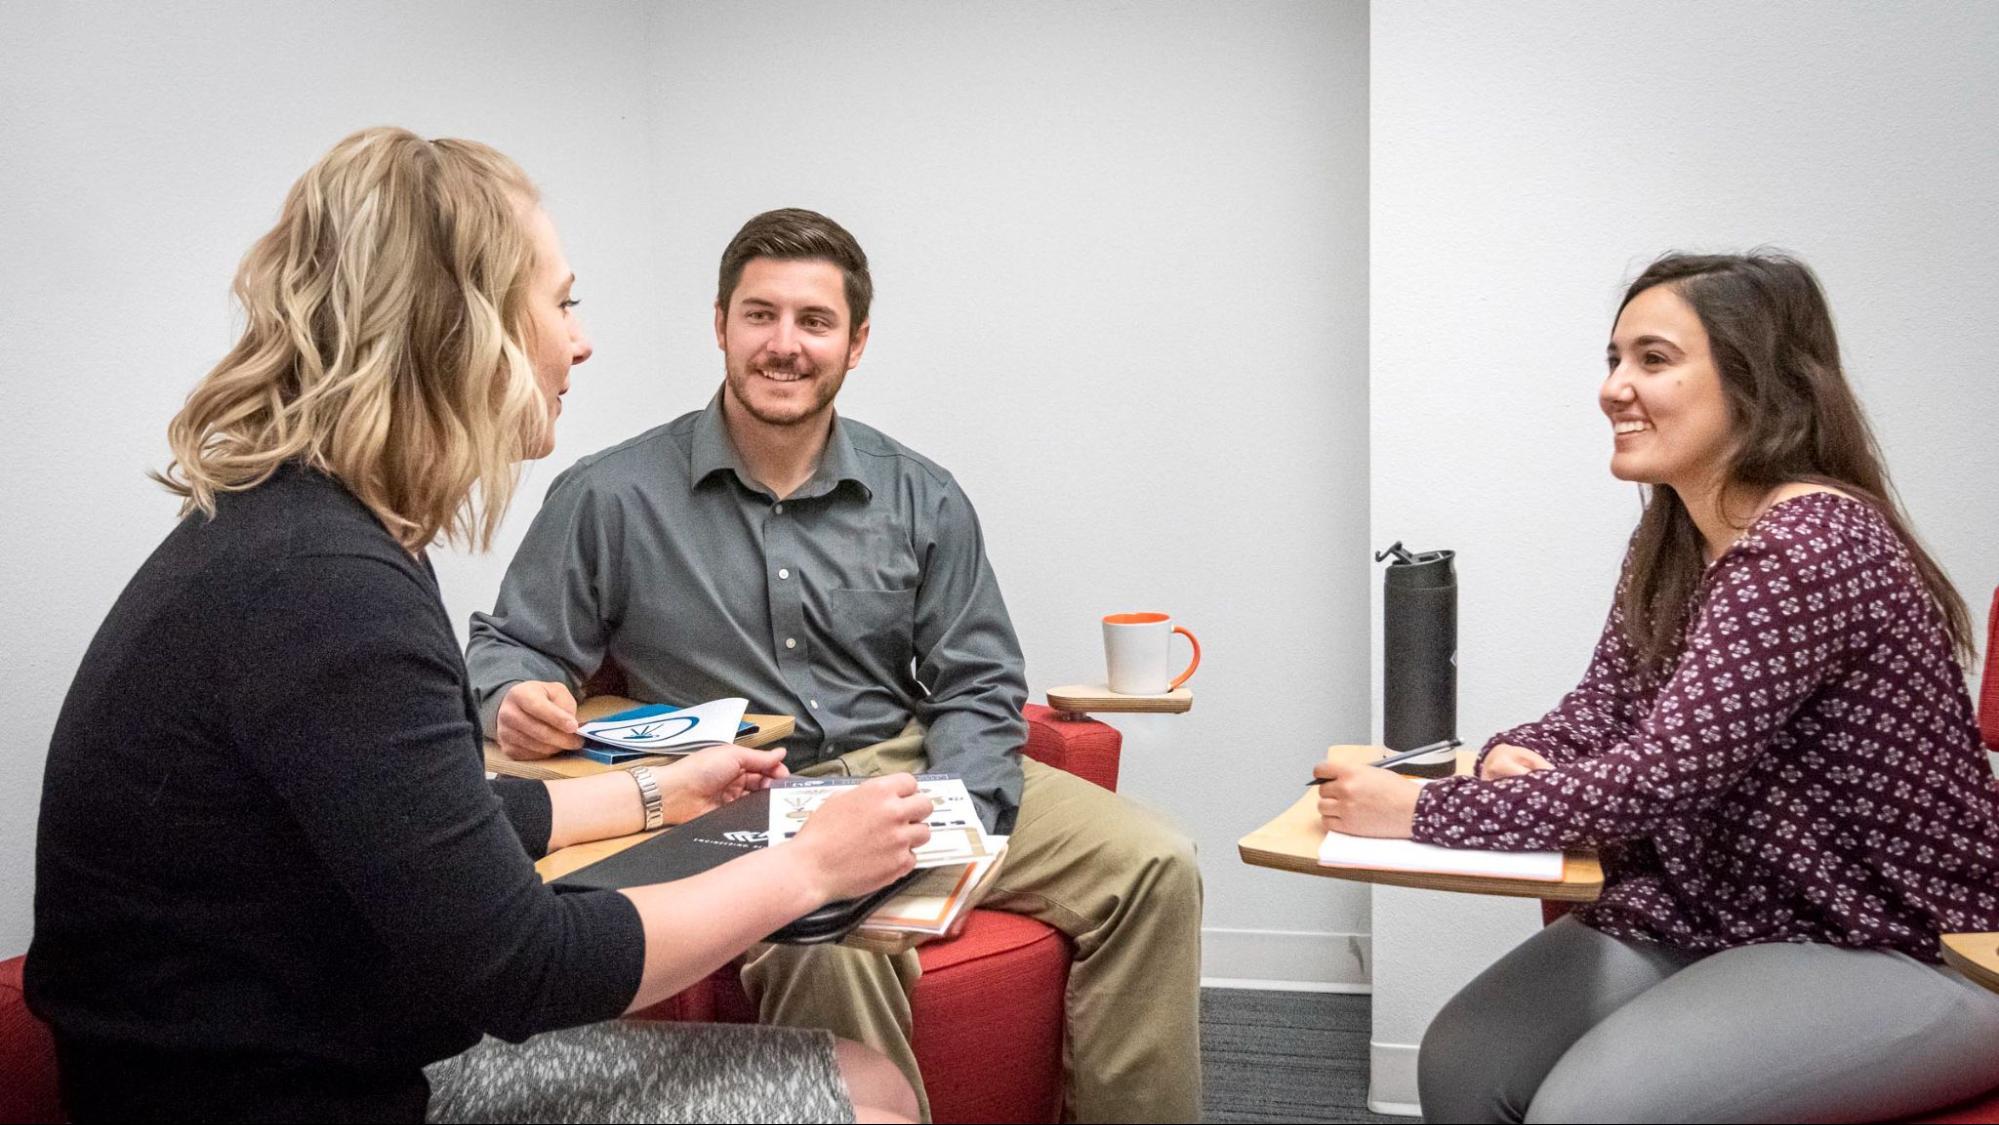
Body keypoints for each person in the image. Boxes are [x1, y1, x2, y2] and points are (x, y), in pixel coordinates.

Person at [28, 128, 928, 1124]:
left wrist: (658, 794)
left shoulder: (306, 536)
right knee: (871, 1102)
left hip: (323, 1057)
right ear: (459, 327)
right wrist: (808, 867)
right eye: (562, 302)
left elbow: (421, 825)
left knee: (866, 1075)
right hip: (282, 1098)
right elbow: (525, 968)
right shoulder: (328, 589)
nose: (579, 341)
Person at [466, 207, 1203, 1123]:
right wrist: (510, 694)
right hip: (740, 795)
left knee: (1158, 863)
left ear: (855, 343)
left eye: (814, 321)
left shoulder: (921, 493)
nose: (784, 344)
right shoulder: (609, 493)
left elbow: (977, 681)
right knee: (832, 950)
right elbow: (511, 644)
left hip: (909, 765)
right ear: (720, 325)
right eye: (759, 315)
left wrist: (953, 809)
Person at [1313, 251, 1999, 1123]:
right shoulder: (1673, 536)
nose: (1613, 388)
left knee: (1584, 1112)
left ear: (1756, 383)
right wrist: (1518, 752)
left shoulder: (1809, 546)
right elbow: (1599, 708)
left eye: (1653, 358)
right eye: (1613, 359)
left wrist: (1417, 811)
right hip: (1721, 911)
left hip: (1899, 942)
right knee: (1461, 1063)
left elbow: (1656, 779)